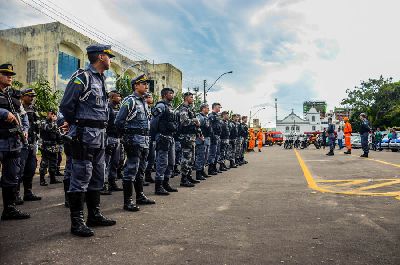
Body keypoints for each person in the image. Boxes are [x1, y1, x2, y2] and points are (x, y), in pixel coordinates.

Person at [59, 44, 116, 237]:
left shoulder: (100, 79)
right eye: (109, 56)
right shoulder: (82, 77)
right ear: (101, 57)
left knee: (98, 176)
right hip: (84, 135)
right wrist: (76, 123)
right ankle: (77, 222)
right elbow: (66, 105)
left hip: (99, 135)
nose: (110, 59)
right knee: (81, 177)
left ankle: (94, 215)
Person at [115, 74, 156, 211]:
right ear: (136, 85)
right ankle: (128, 201)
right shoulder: (130, 101)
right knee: (131, 170)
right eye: (143, 83)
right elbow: (119, 121)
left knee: (141, 170)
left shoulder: (144, 102)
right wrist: (125, 137)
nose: (146, 86)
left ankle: (140, 196)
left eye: (147, 84)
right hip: (133, 140)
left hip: (144, 140)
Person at [0, 63, 31, 220]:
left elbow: (23, 116)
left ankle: (9, 209)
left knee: (12, 176)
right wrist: (3, 112)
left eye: (11, 74)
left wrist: (25, 129)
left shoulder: (14, 95)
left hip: (13, 141)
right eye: (5, 73)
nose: (10, 76)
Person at [16, 88, 41, 204]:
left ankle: (28, 192)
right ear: (23, 96)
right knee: (18, 170)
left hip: (32, 142)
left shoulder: (33, 108)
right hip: (21, 143)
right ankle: (15, 195)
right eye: (29, 96)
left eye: (33, 96)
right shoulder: (17, 108)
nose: (32, 98)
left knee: (30, 169)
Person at [151, 87, 178, 195]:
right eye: (170, 93)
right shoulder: (161, 106)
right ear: (165, 95)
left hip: (170, 137)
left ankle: (166, 183)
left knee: (171, 162)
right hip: (162, 136)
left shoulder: (170, 107)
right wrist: (156, 135)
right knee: (162, 162)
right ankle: (159, 186)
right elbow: (153, 122)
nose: (172, 95)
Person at [101, 90, 123, 195]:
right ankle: (103, 185)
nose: (120, 98)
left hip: (117, 138)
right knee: (105, 163)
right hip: (109, 138)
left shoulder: (119, 108)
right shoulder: (107, 108)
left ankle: (112, 182)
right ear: (112, 97)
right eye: (118, 96)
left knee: (115, 162)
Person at [177, 92, 200, 187]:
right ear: (186, 98)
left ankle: (189, 176)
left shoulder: (190, 109)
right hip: (186, 136)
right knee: (186, 157)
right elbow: (184, 121)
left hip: (191, 136)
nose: (193, 99)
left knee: (191, 158)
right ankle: (184, 179)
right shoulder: (183, 108)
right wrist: (194, 121)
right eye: (191, 97)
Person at [39, 110, 63, 185]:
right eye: (51, 113)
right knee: (44, 163)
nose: (52, 115)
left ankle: (53, 179)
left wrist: (60, 141)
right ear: (47, 114)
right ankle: (42, 180)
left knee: (54, 163)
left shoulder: (55, 124)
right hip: (46, 146)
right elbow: (47, 128)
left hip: (54, 146)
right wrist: (53, 122)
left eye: (54, 114)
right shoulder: (43, 122)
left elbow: (58, 135)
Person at [195, 103, 211, 181]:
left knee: (205, 157)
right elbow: (197, 127)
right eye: (207, 108)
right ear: (203, 108)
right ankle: (198, 173)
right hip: (201, 139)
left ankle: (202, 170)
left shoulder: (205, 117)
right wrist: (199, 136)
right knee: (200, 156)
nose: (208, 109)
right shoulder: (200, 117)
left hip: (206, 139)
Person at [144, 92, 156, 185]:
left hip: (151, 136)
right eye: (149, 97)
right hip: (143, 136)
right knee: (143, 158)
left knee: (152, 157)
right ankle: (139, 178)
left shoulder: (152, 110)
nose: (151, 98)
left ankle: (148, 175)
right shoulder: (142, 108)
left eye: (151, 97)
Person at [208, 103, 222, 175]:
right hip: (213, 136)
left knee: (217, 153)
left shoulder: (217, 116)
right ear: (215, 107)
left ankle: (214, 167)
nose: (220, 108)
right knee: (212, 153)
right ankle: (210, 169)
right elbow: (210, 127)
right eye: (219, 107)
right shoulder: (211, 116)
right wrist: (212, 136)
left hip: (218, 136)